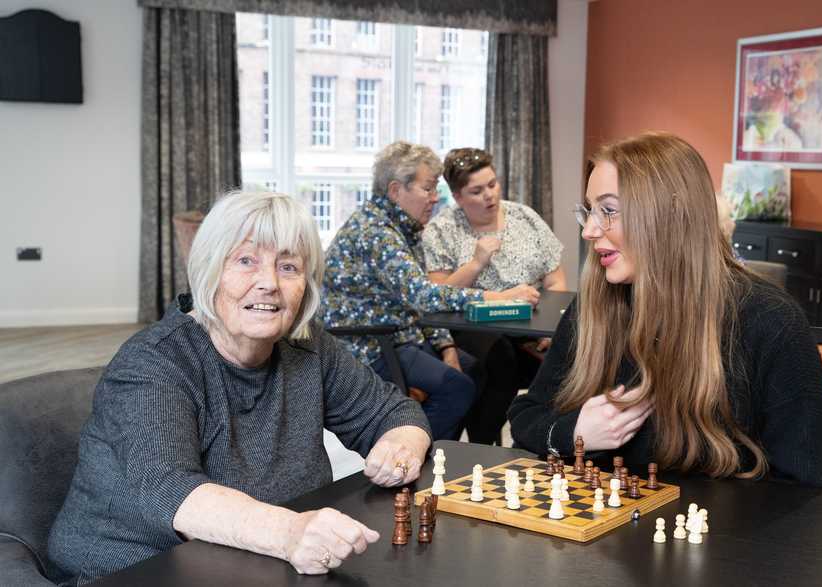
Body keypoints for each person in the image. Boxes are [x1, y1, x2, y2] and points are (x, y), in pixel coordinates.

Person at [48, 192, 434, 585]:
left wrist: (400, 446)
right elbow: (170, 490)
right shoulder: (154, 361)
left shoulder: (308, 346)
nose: (268, 283)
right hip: (136, 569)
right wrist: (289, 533)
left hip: (250, 564)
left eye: (288, 267)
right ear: (209, 271)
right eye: (246, 261)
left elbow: (394, 412)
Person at [507, 132, 822, 489]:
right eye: (589, 211)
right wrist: (575, 432)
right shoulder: (593, 307)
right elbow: (526, 417)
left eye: (608, 211)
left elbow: (812, 489)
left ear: (670, 216)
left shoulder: (769, 321)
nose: (589, 230)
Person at [321, 141, 539, 442]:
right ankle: (411, 458)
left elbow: (418, 302)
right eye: (428, 189)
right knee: (457, 388)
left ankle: (463, 454)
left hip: (400, 335)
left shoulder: (401, 229)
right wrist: (496, 297)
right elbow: (425, 296)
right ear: (397, 190)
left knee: (474, 369)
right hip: (369, 345)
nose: (435, 199)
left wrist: (447, 347)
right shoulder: (376, 233)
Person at [420, 147, 566, 444]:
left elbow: (556, 280)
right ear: (458, 197)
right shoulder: (441, 229)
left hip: (530, 324)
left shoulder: (524, 217)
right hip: (473, 326)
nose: (489, 195)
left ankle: (533, 445)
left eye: (492, 184)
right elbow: (436, 295)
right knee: (500, 359)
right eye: (476, 191)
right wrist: (476, 263)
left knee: (568, 358)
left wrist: (555, 329)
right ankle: (483, 447)